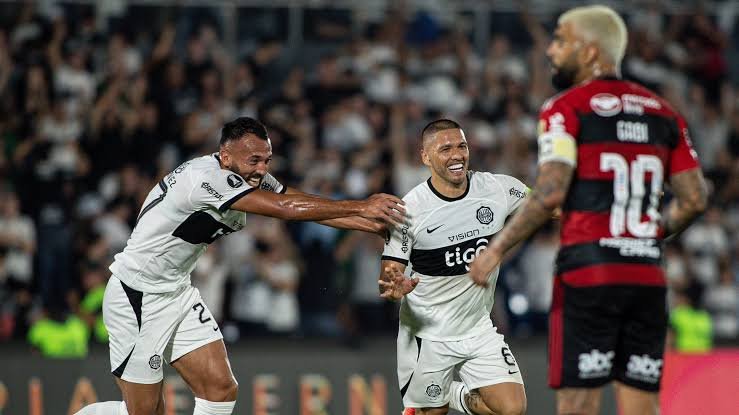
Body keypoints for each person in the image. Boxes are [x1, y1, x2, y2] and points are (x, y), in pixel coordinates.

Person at [76, 116, 405, 415]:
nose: (262, 170)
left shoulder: (246, 174)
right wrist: (362, 206)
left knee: (220, 390)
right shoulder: (205, 179)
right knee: (145, 413)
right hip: (137, 296)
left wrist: (364, 222)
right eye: (254, 160)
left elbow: (292, 196)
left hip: (175, 291)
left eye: (266, 160)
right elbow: (287, 208)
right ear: (225, 156)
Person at [468, 6, 708, 415]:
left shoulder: (566, 108)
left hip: (588, 275)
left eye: (561, 40)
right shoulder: (662, 112)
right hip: (646, 277)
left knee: (578, 403)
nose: (551, 51)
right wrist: (648, 236)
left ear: (592, 51)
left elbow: (549, 192)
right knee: (643, 406)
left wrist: (495, 251)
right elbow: (696, 198)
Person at [379, 119, 528, 415]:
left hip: (477, 326)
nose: (457, 155)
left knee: (511, 409)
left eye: (461, 146)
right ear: (425, 157)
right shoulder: (410, 211)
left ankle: (454, 395)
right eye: (445, 148)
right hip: (428, 334)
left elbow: (546, 204)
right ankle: (446, 395)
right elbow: (390, 272)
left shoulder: (497, 188)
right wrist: (396, 286)